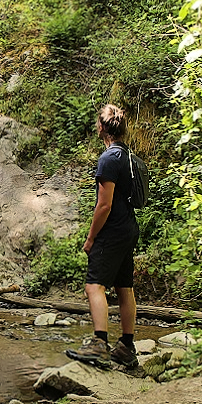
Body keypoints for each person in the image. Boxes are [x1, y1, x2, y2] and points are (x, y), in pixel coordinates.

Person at [65, 104, 139, 369]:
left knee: (94, 285)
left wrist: (90, 237)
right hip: (129, 228)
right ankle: (126, 347)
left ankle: (99, 344)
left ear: (101, 127)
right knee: (124, 287)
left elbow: (104, 205)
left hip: (112, 230)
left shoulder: (108, 159)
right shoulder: (130, 158)